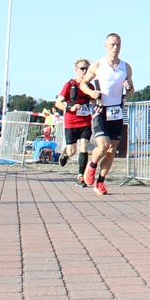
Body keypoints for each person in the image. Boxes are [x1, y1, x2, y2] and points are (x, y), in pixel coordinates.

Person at [79, 34, 136, 195]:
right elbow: (83, 84)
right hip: (101, 109)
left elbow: (131, 92)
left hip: (116, 110)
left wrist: (129, 86)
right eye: (112, 44)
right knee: (103, 145)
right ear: (105, 46)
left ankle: (101, 182)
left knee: (112, 149)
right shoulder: (98, 65)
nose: (115, 47)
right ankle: (92, 165)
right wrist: (92, 92)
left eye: (118, 44)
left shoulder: (126, 67)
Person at [55, 59, 94, 187]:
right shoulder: (69, 85)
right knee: (72, 151)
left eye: (86, 69)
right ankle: (65, 153)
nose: (84, 71)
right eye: (82, 68)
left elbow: (96, 100)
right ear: (76, 70)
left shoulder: (91, 87)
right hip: (71, 122)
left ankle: (80, 176)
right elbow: (58, 102)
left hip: (85, 121)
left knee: (84, 148)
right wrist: (69, 108)